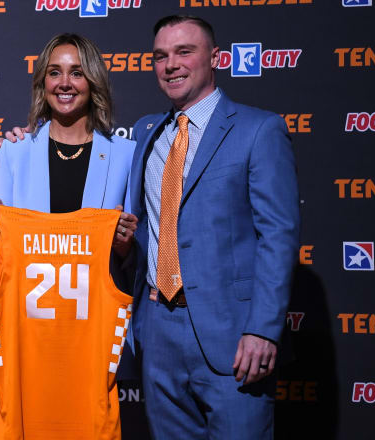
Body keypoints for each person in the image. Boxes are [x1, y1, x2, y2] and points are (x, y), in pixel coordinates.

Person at [127, 15, 300, 439]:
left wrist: (262, 328)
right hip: (158, 329)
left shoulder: (259, 129)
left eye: (184, 52)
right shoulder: (145, 132)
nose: (171, 65)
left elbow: (278, 236)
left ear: (215, 58)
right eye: (160, 56)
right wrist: (26, 143)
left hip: (232, 333)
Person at [0, 32, 137, 269]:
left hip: (100, 302)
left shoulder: (126, 154)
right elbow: (1, 254)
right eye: (54, 72)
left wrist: (125, 245)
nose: (64, 83)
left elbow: (133, 259)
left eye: (77, 73)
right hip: (29, 302)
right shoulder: (15, 152)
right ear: (43, 82)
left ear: (93, 81)